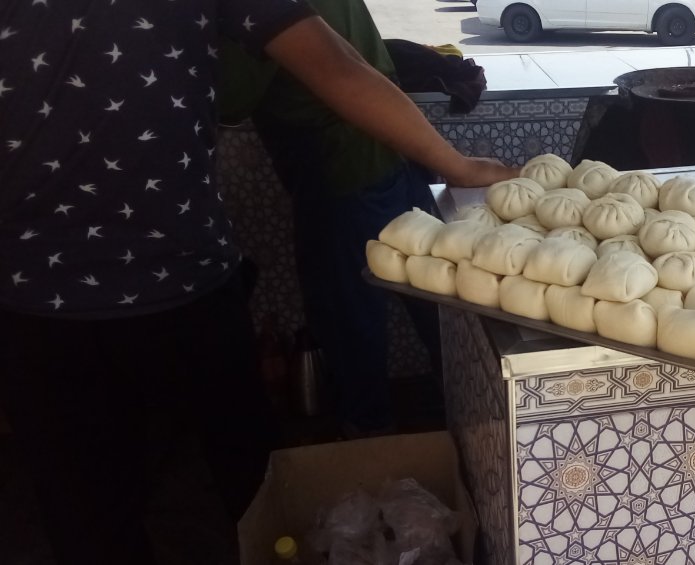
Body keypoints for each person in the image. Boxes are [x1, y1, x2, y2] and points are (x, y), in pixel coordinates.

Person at [0, 2, 515, 564]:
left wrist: (455, 166)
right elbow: (333, 66)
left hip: (64, 294)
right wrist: (456, 166)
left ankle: (370, 429)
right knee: (246, 493)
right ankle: (371, 431)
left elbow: (306, 75)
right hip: (158, 284)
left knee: (95, 510)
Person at [219, 0, 448, 435]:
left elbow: (231, 97)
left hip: (343, 171)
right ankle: (469, 421)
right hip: (394, 155)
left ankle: (367, 439)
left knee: (348, 319)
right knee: (436, 301)